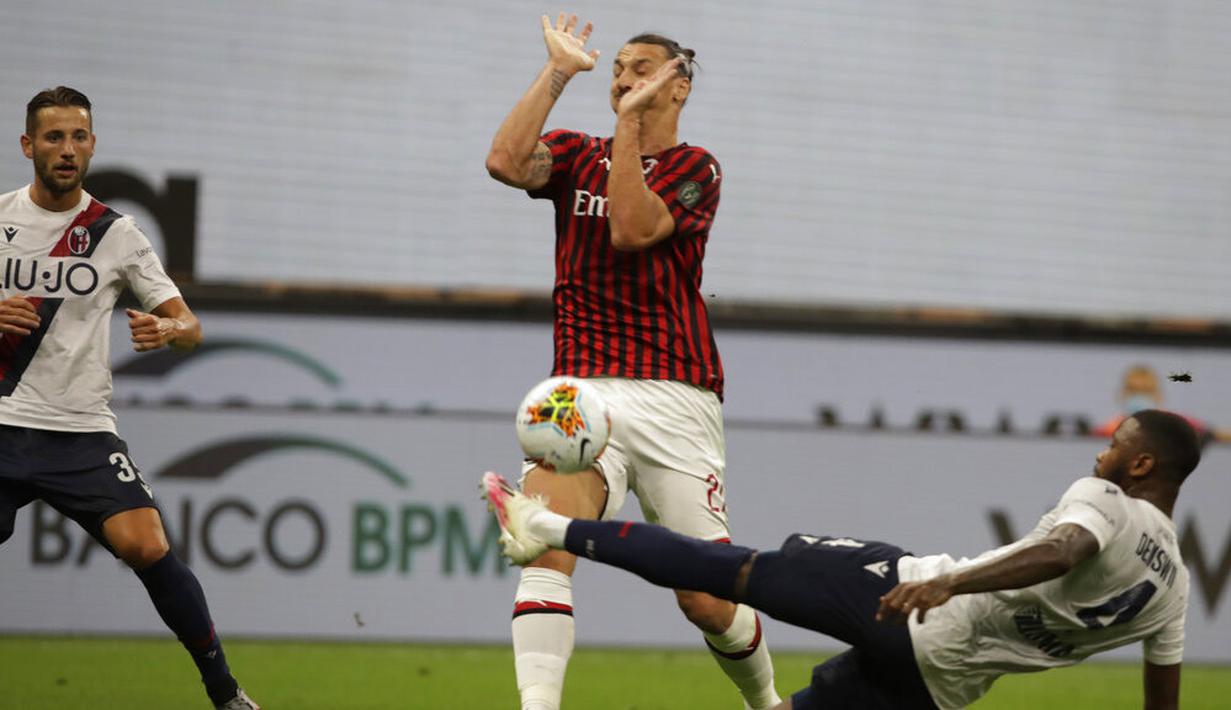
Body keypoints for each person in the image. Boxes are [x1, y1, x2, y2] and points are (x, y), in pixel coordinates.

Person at [483, 408, 1199, 710]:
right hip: (937, 689)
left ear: (1140, 464)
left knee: (728, 569)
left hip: (904, 602)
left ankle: (542, 524)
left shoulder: (1106, 499)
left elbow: (1061, 550)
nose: (1101, 451)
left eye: (1116, 444)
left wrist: (949, 583)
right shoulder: (1175, 592)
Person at [485, 13, 780, 710]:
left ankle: (767, 702)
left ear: (678, 87)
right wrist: (558, 71)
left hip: (676, 396)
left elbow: (631, 227)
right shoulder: (575, 153)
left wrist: (626, 127)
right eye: (617, 69)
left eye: (640, 69)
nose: (622, 79)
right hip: (580, 390)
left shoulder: (696, 168)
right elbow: (504, 162)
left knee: (706, 600)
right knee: (542, 545)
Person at [0, 87, 258, 710]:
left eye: (78, 137)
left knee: (148, 545)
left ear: (92, 146)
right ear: (28, 145)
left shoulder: (115, 233)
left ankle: (225, 692)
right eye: (54, 137)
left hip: (81, 430)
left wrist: (169, 330)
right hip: (3, 421)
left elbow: (190, 326)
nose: (67, 149)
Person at [1092, 363, 1227, 445]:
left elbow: (1212, 433)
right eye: (1134, 390)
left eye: (1146, 391)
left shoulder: (1175, 423)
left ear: (1158, 395)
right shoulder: (1112, 427)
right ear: (1122, 394)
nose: (1139, 396)